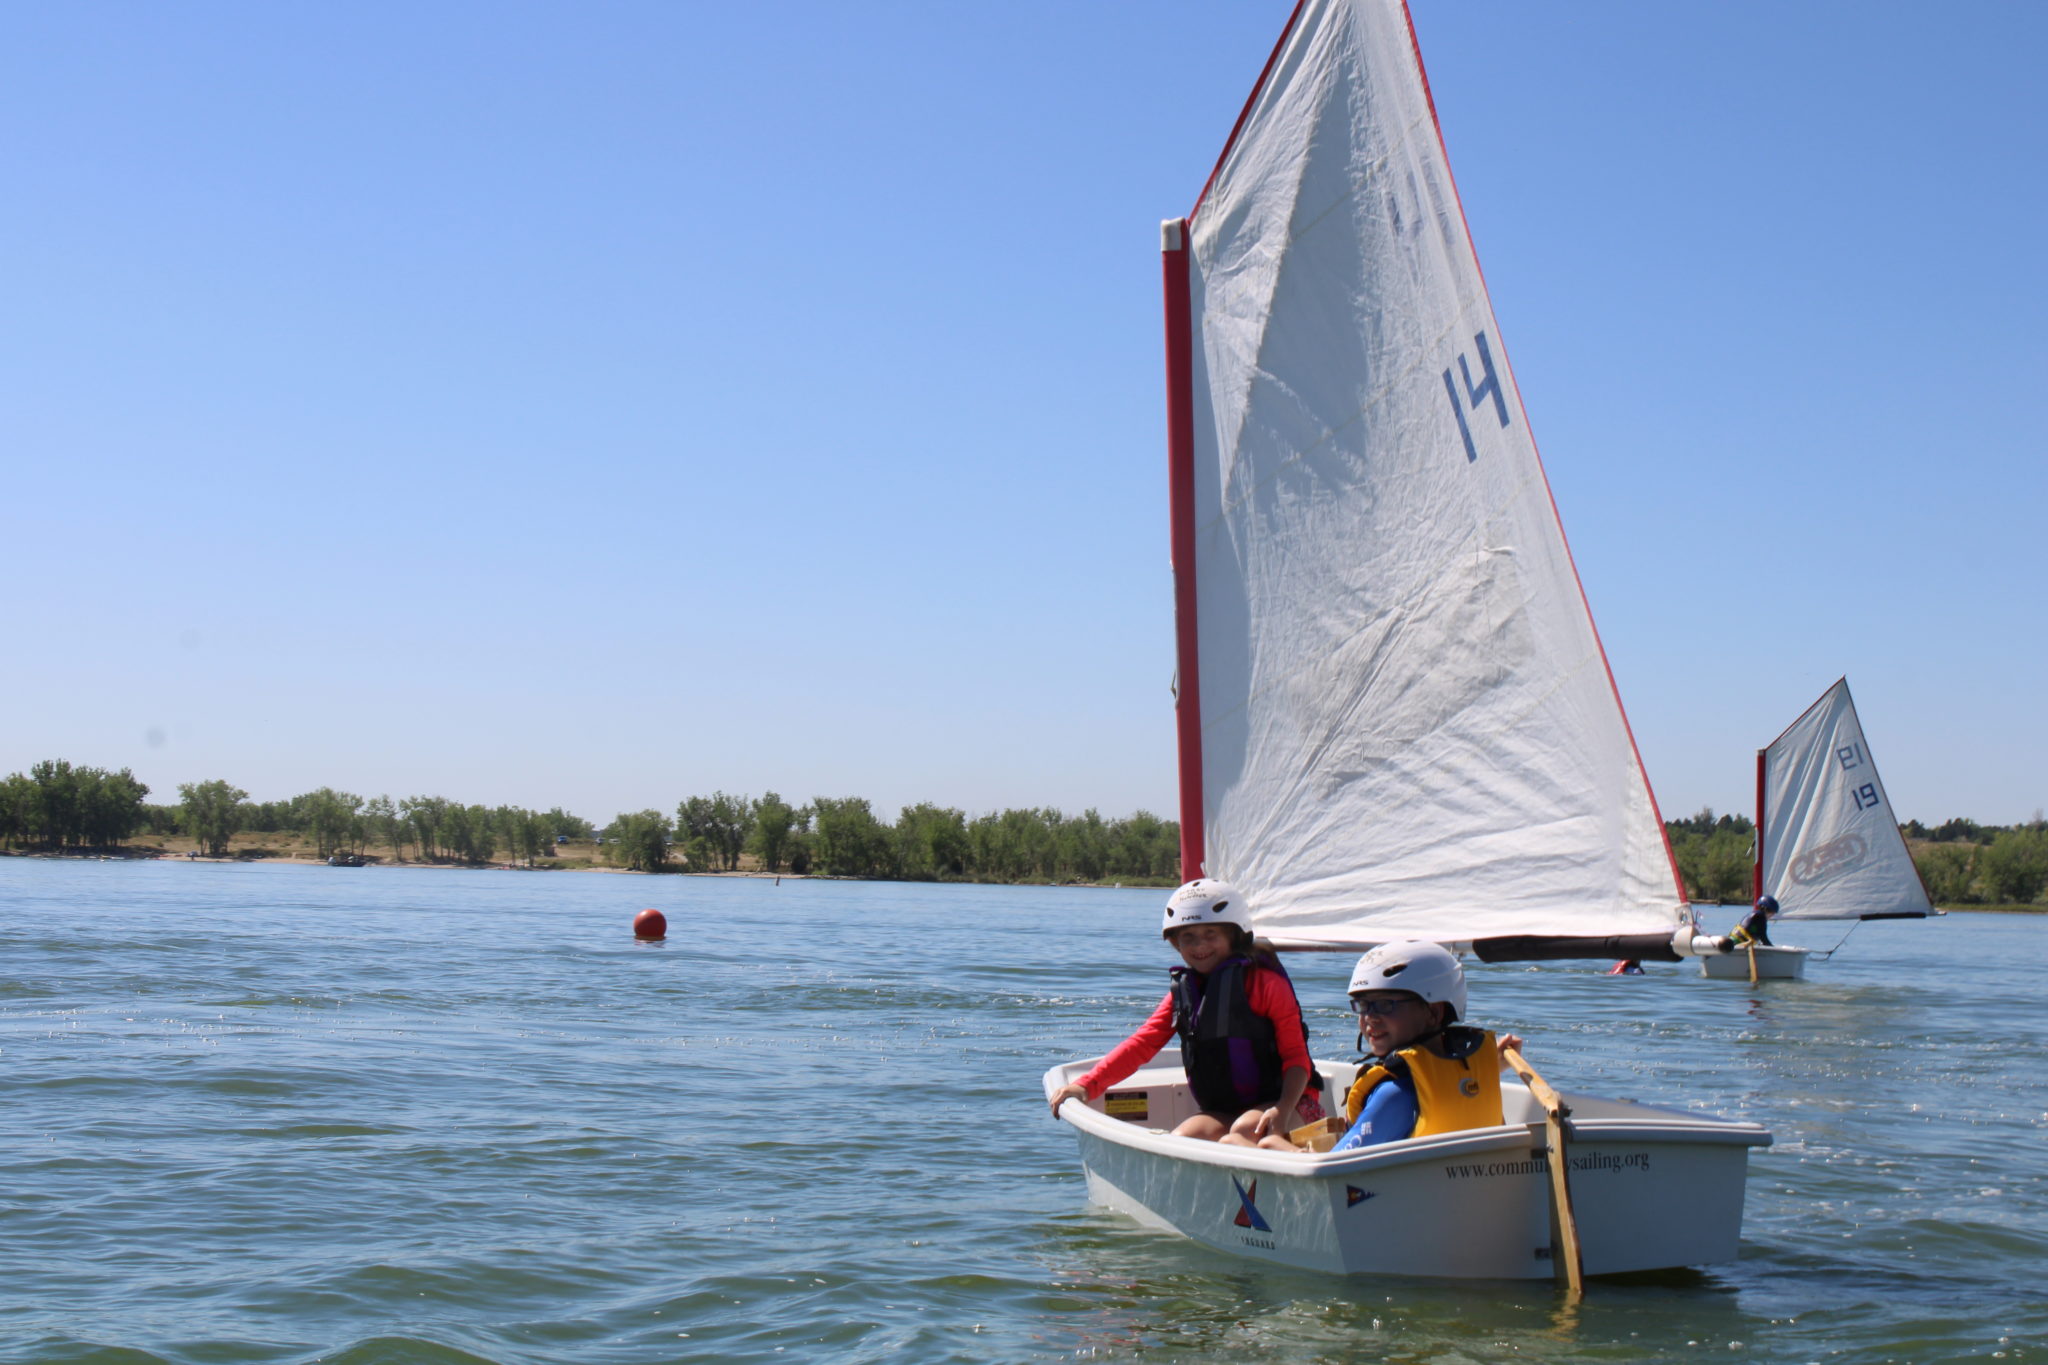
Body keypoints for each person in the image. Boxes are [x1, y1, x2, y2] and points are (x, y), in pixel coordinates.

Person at [1047, 879, 1325, 1149]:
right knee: (1183, 1139)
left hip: (1291, 1103)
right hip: (1224, 1110)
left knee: (1243, 1131)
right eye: (1187, 937)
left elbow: (1296, 1057)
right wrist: (1086, 1086)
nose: (1199, 946)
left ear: (1234, 936)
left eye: (1210, 935)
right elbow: (1142, 1044)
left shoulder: (1266, 984)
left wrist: (1282, 1108)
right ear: (1176, 943)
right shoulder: (1184, 995)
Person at [1329, 940, 1520, 1152]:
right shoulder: (1477, 1076)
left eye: (1385, 1004)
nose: (1370, 1018)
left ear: (1433, 1013)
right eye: (1362, 1005)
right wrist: (1496, 1066)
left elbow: (1327, 1171)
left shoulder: (1394, 1094)